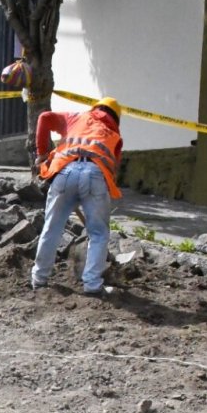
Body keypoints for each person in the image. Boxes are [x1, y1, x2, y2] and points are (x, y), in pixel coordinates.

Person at [31, 97, 124, 295]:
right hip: (96, 175)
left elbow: (44, 117)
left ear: (95, 108)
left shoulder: (76, 118)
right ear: (115, 117)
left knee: (52, 228)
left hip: (65, 172)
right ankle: (92, 284)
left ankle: (39, 279)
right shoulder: (114, 134)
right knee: (98, 234)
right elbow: (113, 170)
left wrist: (42, 153)